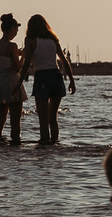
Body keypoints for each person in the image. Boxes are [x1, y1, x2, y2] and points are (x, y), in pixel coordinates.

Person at [24, 13, 74, 145]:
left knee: (43, 119)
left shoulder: (30, 40)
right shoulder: (53, 40)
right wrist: (72, 81)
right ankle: (55, 144)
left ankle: (44, 145)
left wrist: (18, 82)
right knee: (53, 118)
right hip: (56, 78)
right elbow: (64, 61)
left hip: (41, 78)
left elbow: (26, 62)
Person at [0, 13, 25, 144]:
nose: (17, 32)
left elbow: (5, 60)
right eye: (16, 29)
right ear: (12, 28)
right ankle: (15, 144)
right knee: (15, 121)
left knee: (0, 120)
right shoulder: (12, 45)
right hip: (12, 81)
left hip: (0, 82)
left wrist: (17, 54)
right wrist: (24, 56)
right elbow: (17, 68)